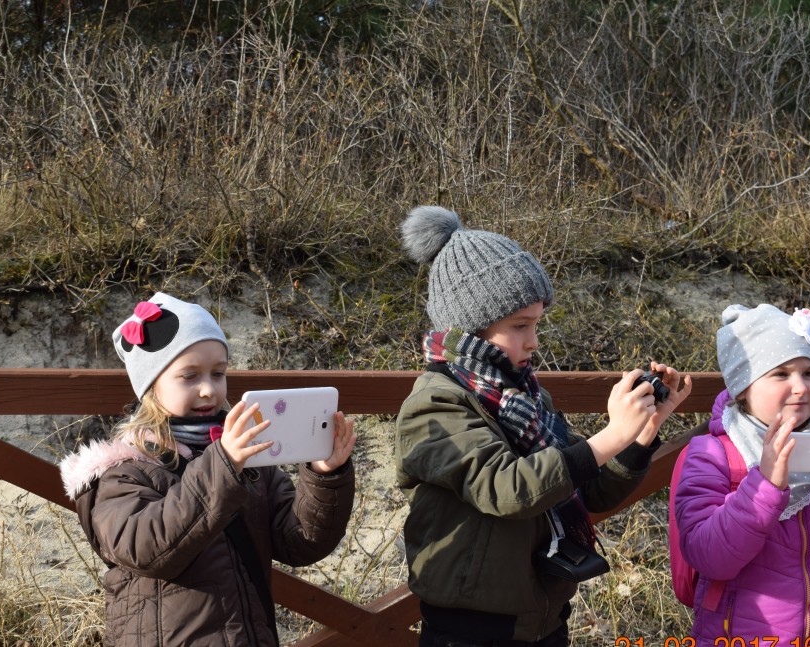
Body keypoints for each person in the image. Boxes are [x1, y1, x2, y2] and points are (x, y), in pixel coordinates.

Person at [394, 205, 692, 646]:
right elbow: (506, 488)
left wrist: (644, 429)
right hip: (470, 628)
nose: (533, 341)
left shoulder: (525, 395)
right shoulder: (435, 403)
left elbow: (590, 491)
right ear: (472, 327)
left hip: (544, 619)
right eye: (520, 326)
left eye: (536, 324)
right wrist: (609, 435)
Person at [59, 292, 356, 647]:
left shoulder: (243, 456)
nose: (207, 390)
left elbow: (300, 542)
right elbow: (148, 549)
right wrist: (224, 463)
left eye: (218, 373)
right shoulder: (123, 470)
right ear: (151, 387)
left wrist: (324, 474)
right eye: (189, 376)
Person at [674, 304, 810, 642]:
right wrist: (765, 485)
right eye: (781, 374)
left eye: (808, 373)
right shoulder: (712, 453)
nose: (800, 387)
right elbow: (709, 557)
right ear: (743, 387)